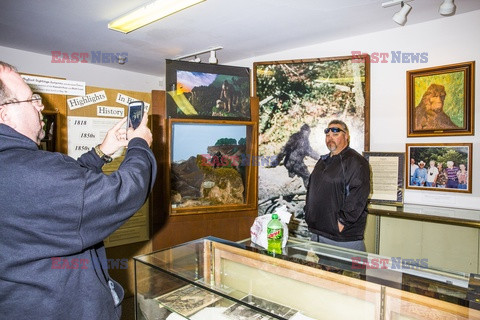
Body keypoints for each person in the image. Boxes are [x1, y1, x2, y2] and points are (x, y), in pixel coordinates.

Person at [0, 61, 157, 319]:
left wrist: (101, 152)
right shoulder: (36, 171)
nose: (41, 106)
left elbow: (64, 189)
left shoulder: (21, 168)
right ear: (5, 114)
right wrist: (140, 143)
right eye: (31, 100)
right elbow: (127, 191)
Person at [304, 120, 370, 251]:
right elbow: (313, 189)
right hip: (319, 233)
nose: (330, 137)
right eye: (327, 134)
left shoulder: (356, 161)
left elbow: (358, 195)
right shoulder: (323, 161)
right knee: (321, 270)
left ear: (346, 136)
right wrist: (308, 213)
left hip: (342, 238)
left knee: (353, 271)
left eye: (335, 132)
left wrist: (342, 222)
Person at [272, 123, 320, 188]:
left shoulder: (304, 140)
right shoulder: (296, 138)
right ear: (302, 131)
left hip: (293, 163)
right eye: (306, 132)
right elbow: (285, 149)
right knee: (307, 176)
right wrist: (276, 161)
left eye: (308, 132)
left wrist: (321, 158)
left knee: (296, 178)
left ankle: (292, 191)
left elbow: (310, 152)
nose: (307, 134)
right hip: (293, 163)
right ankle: (309, 193)